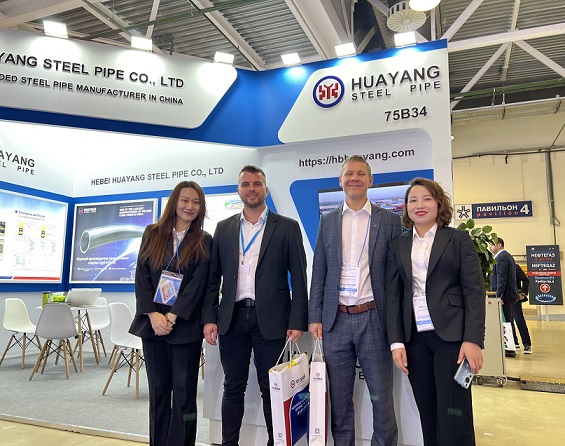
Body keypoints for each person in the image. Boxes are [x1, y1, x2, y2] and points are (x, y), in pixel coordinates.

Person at [202, 165, 308, 446]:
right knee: (232, 386)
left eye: (257, 184)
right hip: (232, 317)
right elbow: (213, 278)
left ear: (266, 189)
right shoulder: (224, 228)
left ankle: (277, 442)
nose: (251, 189)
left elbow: (299, 276)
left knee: (271, 387)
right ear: (239, 190)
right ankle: (229, 443)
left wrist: (297, 321)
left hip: (271, 319)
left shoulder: (287, 227)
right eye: (246, 184)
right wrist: (209, 317)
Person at [385, 177, 485, 446]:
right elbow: (394, 296)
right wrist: (396, 342)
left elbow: (474, 292)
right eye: (413, 200)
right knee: (427, 411)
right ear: (406, 207)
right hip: (414, 339)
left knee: (455, 412)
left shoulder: (458, 239)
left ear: (439, 203)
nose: (419, 205)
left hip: (452, 339)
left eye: (427, 199)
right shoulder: (398, 245)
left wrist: (473, 340)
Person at [309, 155, 400, 445]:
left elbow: (396, 277)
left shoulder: (390, 221)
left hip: (374, 319)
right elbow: (319, 270)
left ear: (370, 181)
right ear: (341, 180)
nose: (354, 178)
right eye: (349, 173)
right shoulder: (328, 221)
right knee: (339, 401)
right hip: (335, 321)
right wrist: (314, 317)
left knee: (382, 399)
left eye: (361, 174)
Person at [130, 181, 211, 446]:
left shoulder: (203, 240)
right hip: (153, 326)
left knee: (186, 397)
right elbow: (142, 276)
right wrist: (153, 315)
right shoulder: (152, 233)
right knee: (159, 393)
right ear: (174, 202)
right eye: (185, 200)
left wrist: (173, 316)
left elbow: (198, 284)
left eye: (196, 202)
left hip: (184, 327)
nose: (190, 206)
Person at [489, 237, 519, 357]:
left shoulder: (502, 258)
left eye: (492, 245)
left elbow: (501, 279)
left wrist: (498, 296)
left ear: (499, 245)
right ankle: (513, 344)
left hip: (505, 296)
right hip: (507, 295)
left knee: (506, 321)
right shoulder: (506, 256)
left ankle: (510, 348)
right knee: (508, 320)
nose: (490, 248)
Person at [513, 263, 532, 354]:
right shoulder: (496, 266)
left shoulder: (515, 267)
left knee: (519, 320)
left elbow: (525, 280)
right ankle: (514, 343)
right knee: (508, 322)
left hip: (515, 298)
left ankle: (527, 344)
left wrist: (523, 293)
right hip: (503, 298)